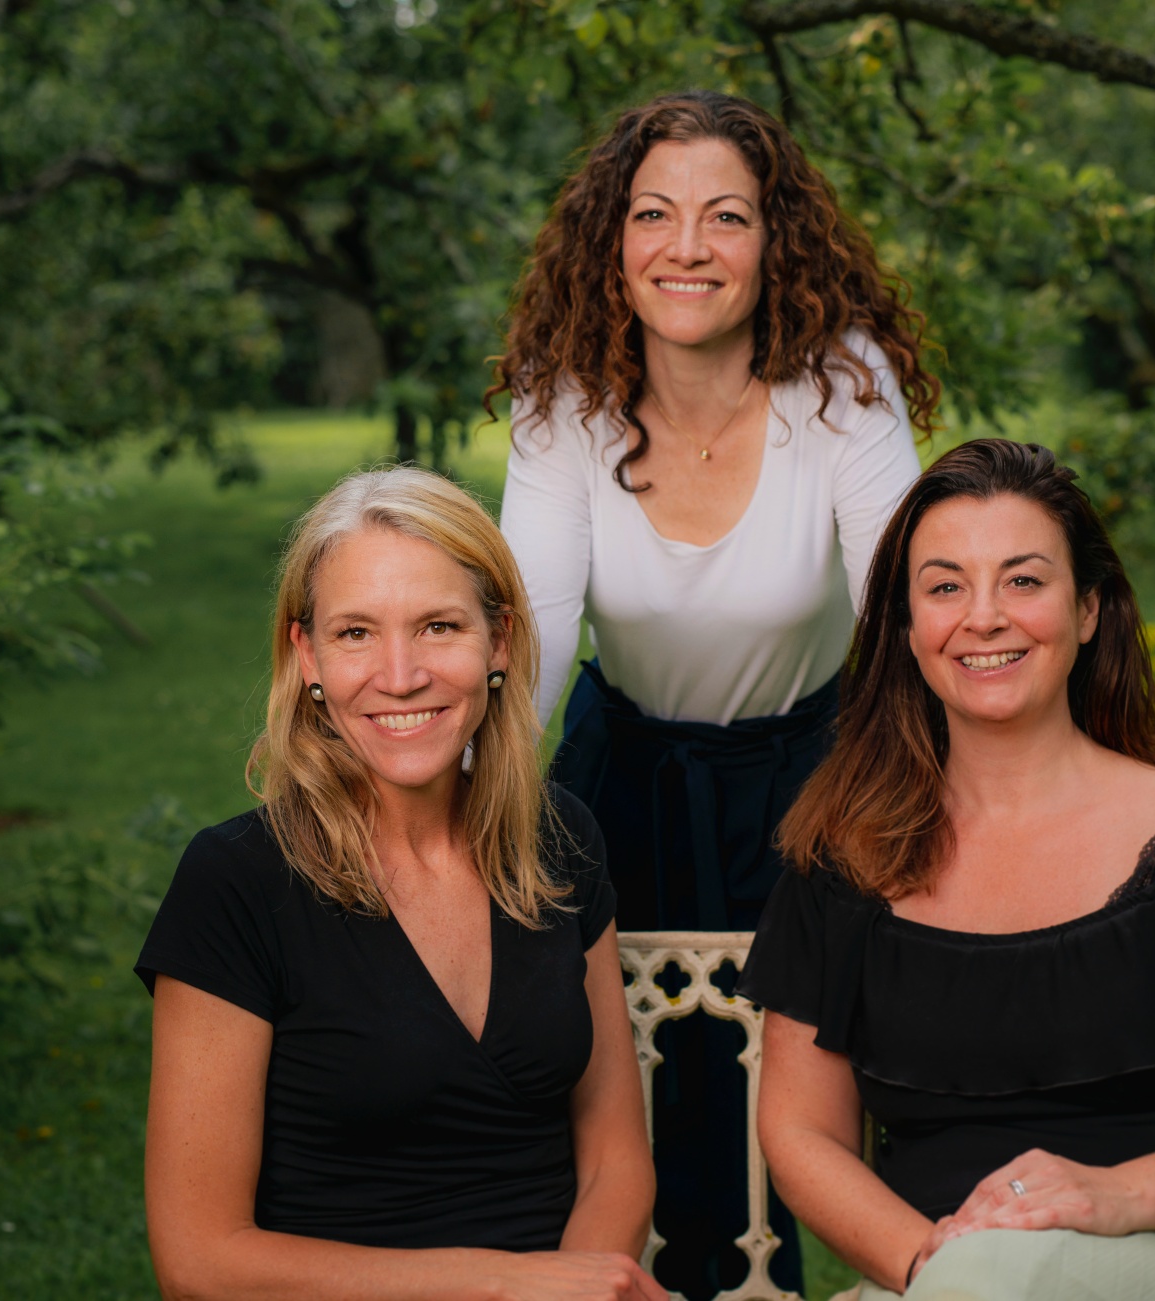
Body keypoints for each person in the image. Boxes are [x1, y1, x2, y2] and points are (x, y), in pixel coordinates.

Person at [490, 90, 940, 1297]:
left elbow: (906, 602)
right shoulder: (564, 397)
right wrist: (467, 815)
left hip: (812, 767)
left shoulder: (841, 387)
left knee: (807, 1069)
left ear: (774, 241)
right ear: (613, 241)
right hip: (621, 768)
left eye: (726, 217)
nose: (687, 246)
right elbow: (531, 627)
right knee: (633, 1068)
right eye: (654, 214)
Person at [740, 439, 1155, 1300]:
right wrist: (930, 1261)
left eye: (1023, 580)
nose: (984, 616)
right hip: (942, 1276)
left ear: (1088, 608)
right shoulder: (844, 862)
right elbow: (801, 1131)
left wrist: (1112, 1194)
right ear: (907, 629)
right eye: (946, 586)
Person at [136, 466, 665, 1301]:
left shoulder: (560, 839)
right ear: (305, 654)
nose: (400, 672)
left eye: (438, 626)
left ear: (499, 640)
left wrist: (575, 1289)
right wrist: (503, 1286)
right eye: (355, 633)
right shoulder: (234, 884)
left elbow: (615, 1158)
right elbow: (200, 1259)